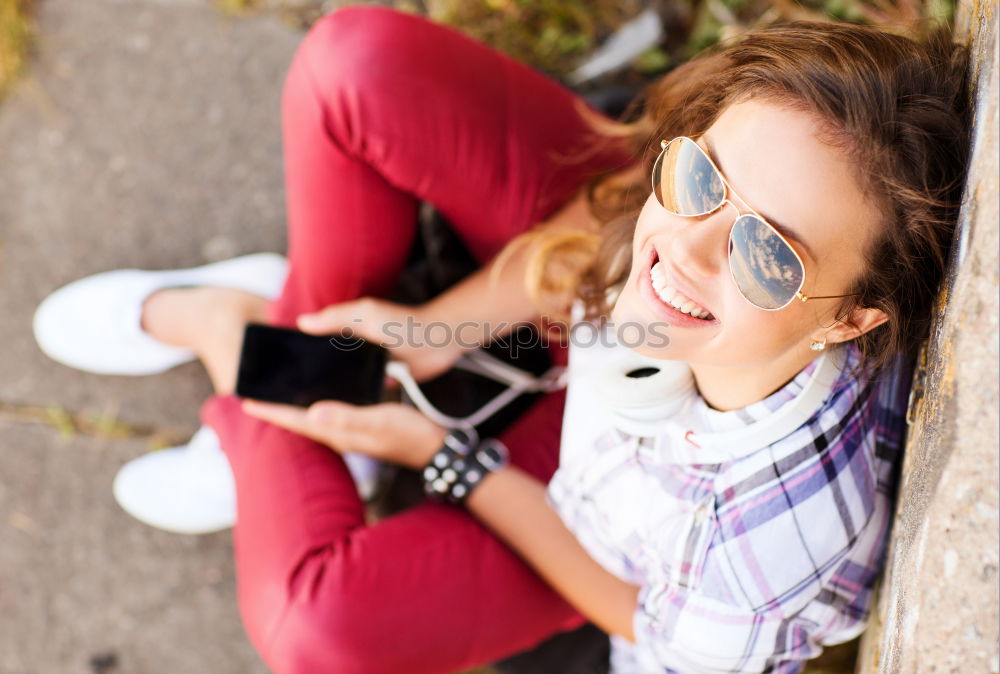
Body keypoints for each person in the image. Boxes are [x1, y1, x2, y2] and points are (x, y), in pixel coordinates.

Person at [32, 5, 970, 673]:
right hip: (593, 359)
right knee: (351, 61)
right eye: (700, 177)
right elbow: (601, 244)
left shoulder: (764, 548)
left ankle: (233, 336)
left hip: (588, 532)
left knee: (313, 631)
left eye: (770, 253)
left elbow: (642, 621)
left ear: (853, 320)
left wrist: (448, 459)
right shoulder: (701, 264)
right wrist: (431, 331)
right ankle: (300, 386)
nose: (681, 245)